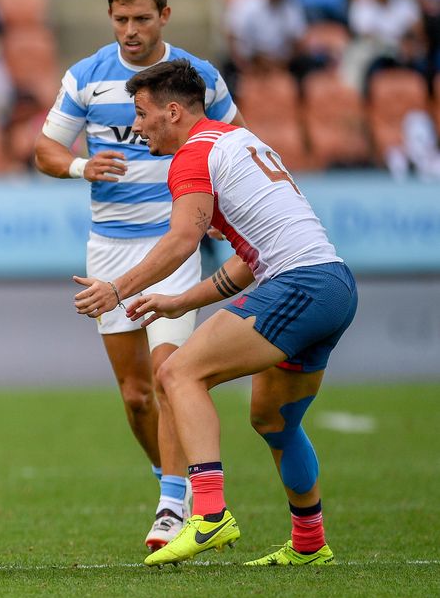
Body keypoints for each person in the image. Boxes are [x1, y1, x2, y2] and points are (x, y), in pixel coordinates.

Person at [73, 59, 356, 567]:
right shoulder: (238, 142)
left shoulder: (192, 156)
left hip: (301, 284)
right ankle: (310, 543)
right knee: (273, 420)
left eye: (141, 113)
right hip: (331, 284)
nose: (136, 126)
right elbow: (249, 264)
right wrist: (180, 302)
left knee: (177, 371)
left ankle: (207, 515)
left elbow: (183, 239)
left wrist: (117, 288)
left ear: (173, 112)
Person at [33, 0, 245, 552]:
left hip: (174, 241)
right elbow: (45, 149)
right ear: (110, 18)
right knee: (135, 392)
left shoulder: (198, 76)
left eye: (142, 19)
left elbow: (236, 140)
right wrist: (80, 165)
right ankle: (169, 480)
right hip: (109, 245)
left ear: (164, 17)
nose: (131, 30)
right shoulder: (87, 78)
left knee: (170, 374)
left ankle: (174, 503)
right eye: (121, 19)